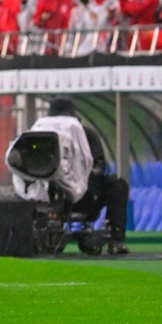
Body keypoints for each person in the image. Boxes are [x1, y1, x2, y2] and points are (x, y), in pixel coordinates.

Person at [45, 96, 130, 255]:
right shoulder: (43, 139)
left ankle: (117, 238)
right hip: (53, 196)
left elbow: (99, 166)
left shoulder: (88, 136)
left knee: (118, 185)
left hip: (87, 193)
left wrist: (82, 178)